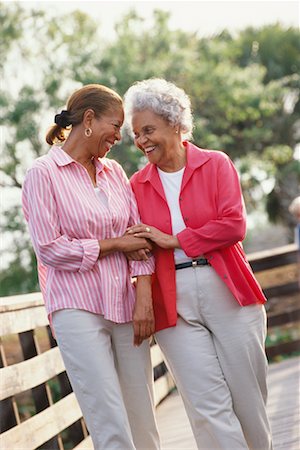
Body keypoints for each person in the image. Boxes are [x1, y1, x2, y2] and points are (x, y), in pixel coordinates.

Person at [124, 78, 273, 450]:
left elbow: (233, 224)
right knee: (205, 405)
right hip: (172, 300)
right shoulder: (135, 186)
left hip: (227, 288)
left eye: (148, 130)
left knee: (248, 397)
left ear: (175, 122)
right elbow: (137, 248)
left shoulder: (216, 163)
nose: (142, 141)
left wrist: (173, 240)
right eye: (136, 134)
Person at [22, 84, 160, 450]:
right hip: (76, 308)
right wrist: (114, 245)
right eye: (115, 125)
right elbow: (50, 248)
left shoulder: (115, 172)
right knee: (107, 415)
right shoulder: (43, 174)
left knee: (142, 413)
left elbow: (140, 240)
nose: (120, 135)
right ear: (88, 120)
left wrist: (144, 298)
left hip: (125, 303)